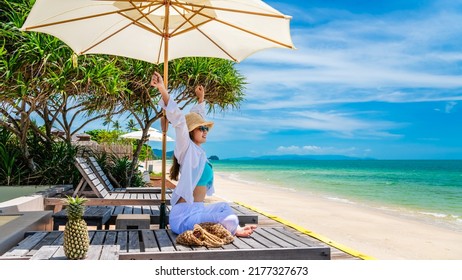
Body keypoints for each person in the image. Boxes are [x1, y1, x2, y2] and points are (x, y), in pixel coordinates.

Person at [150, 71, 256, 237]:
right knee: (232, 220)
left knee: (225, 207)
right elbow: (178, 119)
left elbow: (197, 117)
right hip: (184, 216)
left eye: (207, 128)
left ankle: (227, 228)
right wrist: (162, 89)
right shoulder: (186, 148)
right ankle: (233, 229)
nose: (206, 131)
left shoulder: (199, 152)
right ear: (191, 131)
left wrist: (201, 99)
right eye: (202, 128)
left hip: (197, 211)